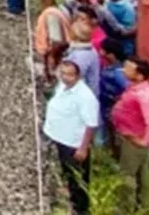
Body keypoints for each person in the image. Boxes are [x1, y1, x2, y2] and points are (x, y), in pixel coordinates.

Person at [41, 60, 99, 215]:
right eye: (63, 73)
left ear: (78, 76)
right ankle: (71, 198)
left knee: (78, 178)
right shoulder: (62, 85)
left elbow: (91, 124)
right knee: (67, 172)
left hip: (73, 144)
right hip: (60, 138)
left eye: (70, 75)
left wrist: (83, 148)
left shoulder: (85, 97)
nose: (65, 77)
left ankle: (80, 209)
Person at [111, 57, 149, 209]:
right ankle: (142, 204)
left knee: (128, 174)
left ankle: (125, 207)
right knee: (141, 172)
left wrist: (144, 141)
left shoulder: (143, 95)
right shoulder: (137, 87)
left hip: (133, 139)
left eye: (128, 69)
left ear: (139, 75)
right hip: (132, 136)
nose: (123, 70)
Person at [34, 0, 71, 85]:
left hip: (53, 53)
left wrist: (52, 58)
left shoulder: (51, 15)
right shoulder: (59, 10)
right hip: (57, 51)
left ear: (43, 0)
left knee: (53, 75)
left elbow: (56, 41)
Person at [98, 40, 129, 145]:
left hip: (112, 109)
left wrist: (119, 100)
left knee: (115, 135)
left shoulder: (118, 72)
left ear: (110, 54)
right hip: (106, 106)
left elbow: (128, 89)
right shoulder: (110, 66)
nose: (99, 52)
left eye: (102, 50)